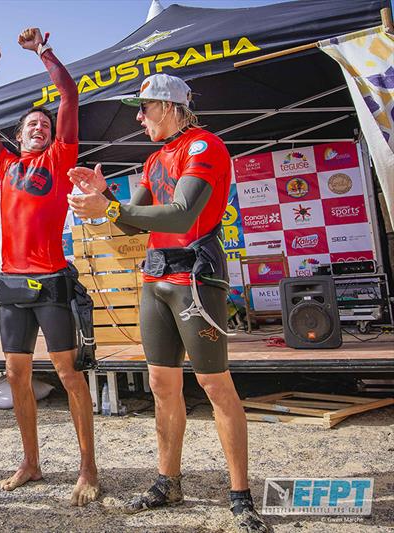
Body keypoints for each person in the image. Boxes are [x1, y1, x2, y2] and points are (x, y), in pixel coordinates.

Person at [67, 73, 268, 532]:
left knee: (216, 385)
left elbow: (183, 212)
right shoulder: (154, 157)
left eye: (144, 109)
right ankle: (167, 481)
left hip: (195, 273)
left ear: (170, 106)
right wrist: (105, 198)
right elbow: (131, 226)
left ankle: (240, 494)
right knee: (160, 384)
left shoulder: (204, 146)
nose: (139, 119)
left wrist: (112, 208)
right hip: (155, 274)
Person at [0, 27, 99, 506]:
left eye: (44, 124)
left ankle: (88, 467)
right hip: (11, 285)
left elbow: (68, 94)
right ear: (19, 133)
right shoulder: (4, 166)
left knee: (68, 374)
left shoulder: (62, 155)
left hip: (50, 281)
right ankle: (30, 461)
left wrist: (43, 52)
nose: (39, 127)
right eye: (31, 124)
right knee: (16, 374)